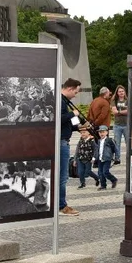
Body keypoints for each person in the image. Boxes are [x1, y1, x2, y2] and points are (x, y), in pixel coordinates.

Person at [59, 78, 83, 216]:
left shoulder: (64, 101)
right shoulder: (60, 101)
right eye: (76, 91)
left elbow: (66, 122)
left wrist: (78, 126)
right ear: (69, 88)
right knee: (63, 176)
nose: (76, 94)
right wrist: (72, 114)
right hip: (61, 142)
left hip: (63, 140)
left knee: (62, 176)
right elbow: (59, 118)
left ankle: (60, 203)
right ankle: (62, 205)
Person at [96, 125, 119, 190]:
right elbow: (98, 150)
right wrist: (95, 158)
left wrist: (117, 158)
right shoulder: (99, 141)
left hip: (107, 159)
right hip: (100, 158)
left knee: (105, 172)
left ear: (107, 132)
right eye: (100, 132)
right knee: (100, 173)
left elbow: (116, 149)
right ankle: (103, 185)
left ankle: (114, 180)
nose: (101, 134)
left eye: (103, 132)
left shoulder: (110, 140)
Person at [111, 85, 129, 158]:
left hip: (127, 125)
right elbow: (114, 112)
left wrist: (119, 112)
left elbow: (129, 111)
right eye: (119, 91)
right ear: (117, 93)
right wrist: (123, 111)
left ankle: (128, 158)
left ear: (124, 92)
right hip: (117, 125)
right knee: (116, 143)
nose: (121, 92)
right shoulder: (114, 101)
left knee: (128, 143)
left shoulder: (128, 100)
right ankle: (117, 158)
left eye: (122, 91)